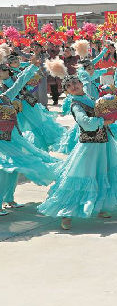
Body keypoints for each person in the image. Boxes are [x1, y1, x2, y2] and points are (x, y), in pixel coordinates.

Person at [38, 75, 117, 230]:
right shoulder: (76, 105)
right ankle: (66, 214)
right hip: (89, 145)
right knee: (81, 176)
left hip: (105, 143)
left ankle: (101, 206)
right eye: (69, 86)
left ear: (81, 83)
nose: (73, 86)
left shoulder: (89, 98)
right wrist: (103, 121)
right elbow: (85, 123)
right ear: (67, 91)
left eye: (75, 82)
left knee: (104, 173)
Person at [0, 63, 58, 213]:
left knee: (14, 169)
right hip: (2, 143)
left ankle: (9, 199)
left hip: (14, 138)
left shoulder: (5, 97)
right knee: (4, 169)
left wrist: (32, 66)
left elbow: (20, 83)